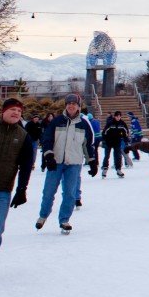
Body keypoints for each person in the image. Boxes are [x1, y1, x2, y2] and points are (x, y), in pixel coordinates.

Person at [0, 98, 36, 281]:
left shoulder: (23, 136)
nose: (16, 113)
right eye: (12, 109)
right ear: (3, 111)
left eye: (19, 111)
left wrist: (22, 189)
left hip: (3, 191)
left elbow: (26, 165)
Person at [37, 93, 97, 234]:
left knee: (70, 194)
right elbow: (47, 139)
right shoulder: (57, 121)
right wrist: (49, 155)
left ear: (78, 107)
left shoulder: (83, 124)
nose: (71, 106)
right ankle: (43, 215)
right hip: (56, 162)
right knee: (48, 192)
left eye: (74, 104)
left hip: (74, 163)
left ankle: (64, 220)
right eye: (69, 103)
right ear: (65, 105)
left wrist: (92, 162)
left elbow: (88, 145)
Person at [101, 111, 130, 179]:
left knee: (118, 156)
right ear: (114, 116)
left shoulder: (122, 123)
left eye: (119, 116)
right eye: (117, 116)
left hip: (117, 142)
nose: (118, 118)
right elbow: (104, 132)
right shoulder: (110, 123)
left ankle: (118, 169)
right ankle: (105, 169)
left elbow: (126, 132)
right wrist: (105, 140)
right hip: (109, 142)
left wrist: (126, 140)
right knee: (107, 156)